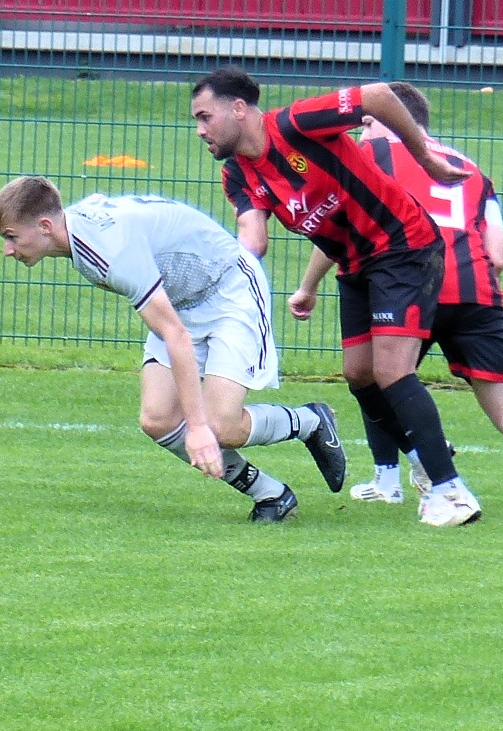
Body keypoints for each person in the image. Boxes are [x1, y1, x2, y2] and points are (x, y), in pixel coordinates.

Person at [189, 66, 480, 527]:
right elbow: (253, 238)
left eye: (205, 117)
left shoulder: (296, 124)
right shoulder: (238, 175)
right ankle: (425, 458)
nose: (200, 130)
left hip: (402, 244)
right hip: (355, 264)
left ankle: (451, 492)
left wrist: (423, 157)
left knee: (391, 370)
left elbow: (378, 95)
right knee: (359, 375)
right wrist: (210, 273)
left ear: (239, 109)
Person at [0, 176, 346, 522]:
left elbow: (176, 336)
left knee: (221, 427)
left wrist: (198, 428)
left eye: (11, 237)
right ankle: (272, 495)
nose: (7, 249)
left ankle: (310, 421)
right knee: (157, 420)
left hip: (229, 290)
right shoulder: (76, 229)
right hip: (179, 300)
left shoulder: (113, 254)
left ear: (45, 226)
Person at [335, 81, 503, 518]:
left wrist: (310, 285)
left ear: (388, 120)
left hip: (408, 283)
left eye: (366, 124)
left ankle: (403, 477)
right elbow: (497, 256)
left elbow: (346, 224)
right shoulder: (472, 170)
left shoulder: (373, 156)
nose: (361, 132)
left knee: (382, 378)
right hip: (476, 291)